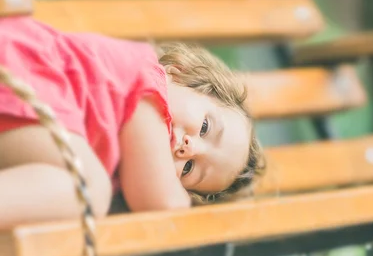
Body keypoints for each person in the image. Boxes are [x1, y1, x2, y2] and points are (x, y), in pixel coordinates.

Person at [0, 15, 265, 230]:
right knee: (88, 189)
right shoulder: (150, 88)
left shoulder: (121, 156)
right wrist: (183, 203)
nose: (189, 148)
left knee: (74, 188)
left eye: (189, 169)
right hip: (22, 68)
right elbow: (162, 203)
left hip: (26, 101)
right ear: (182, 75)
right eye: (206, 128)